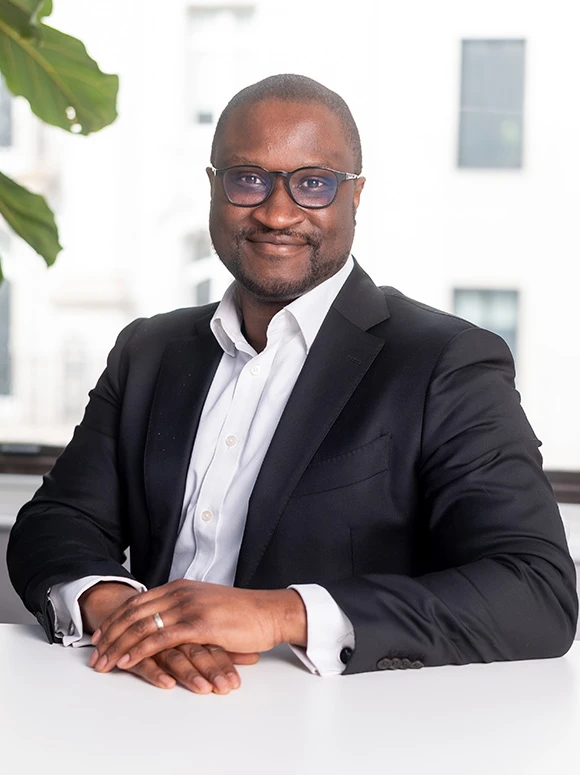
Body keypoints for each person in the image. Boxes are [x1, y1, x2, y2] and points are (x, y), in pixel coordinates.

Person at [7, 74, 578, 695]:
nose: (278, 213)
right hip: (135, 698)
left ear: (355, 196)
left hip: (321, 728)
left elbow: (536, 590)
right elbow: (57, 522)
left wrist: (278, 613)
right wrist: (119, 608)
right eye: (248, 178)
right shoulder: (149, 349)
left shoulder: (446, 360)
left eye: (313, 183)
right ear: (213, 188)